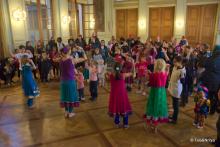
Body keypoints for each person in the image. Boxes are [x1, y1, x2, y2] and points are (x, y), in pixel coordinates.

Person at [144, 59, 169, 133]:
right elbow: (167, 72)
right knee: (159, 107)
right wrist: (167, 68)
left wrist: (148, 74)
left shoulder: (153, 75)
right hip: (161, 93)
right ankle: (155, 128)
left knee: (152, 106)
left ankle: (149, 125)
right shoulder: (165, 74)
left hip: (154, 93)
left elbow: (150, 83)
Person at [59, 47, 85, 118]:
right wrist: (82, 50)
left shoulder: (61, 60)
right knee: (71, 96)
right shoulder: (71, 60)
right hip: (70, 81)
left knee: (65, 96)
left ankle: (66, 112)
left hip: (63, 81)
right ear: (68, 52)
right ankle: (70, 112)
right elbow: (84, 58)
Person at [107, 62, 132, 129]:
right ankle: (125, 124)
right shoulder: (123, 75)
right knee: (124, 107)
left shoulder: (111, 75)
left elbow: (107, 75)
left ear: (113, 68)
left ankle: (117, 123)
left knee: (116, 108)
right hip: (122, 95)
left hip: (114, 95)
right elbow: (131, 73)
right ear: (121, 68)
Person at [201, 45, 220, 115]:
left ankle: (206, 109)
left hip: (208, 80)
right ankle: (212, 110)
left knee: (207, 95)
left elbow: (204, 65)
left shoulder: (210, 58)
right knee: (214, 96)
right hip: (217, 82)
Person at [168, 56, 186, 124]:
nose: (173, 63)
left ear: (180, 62)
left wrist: (182, 76)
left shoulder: (182, 70)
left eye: (175, 62)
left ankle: (174, 120)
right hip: (173, 86)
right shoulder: (175, 67)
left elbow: (183, 82)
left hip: (176, 89)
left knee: (176, 105)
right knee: (173, 103)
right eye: (173, 61)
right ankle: (173, 116)